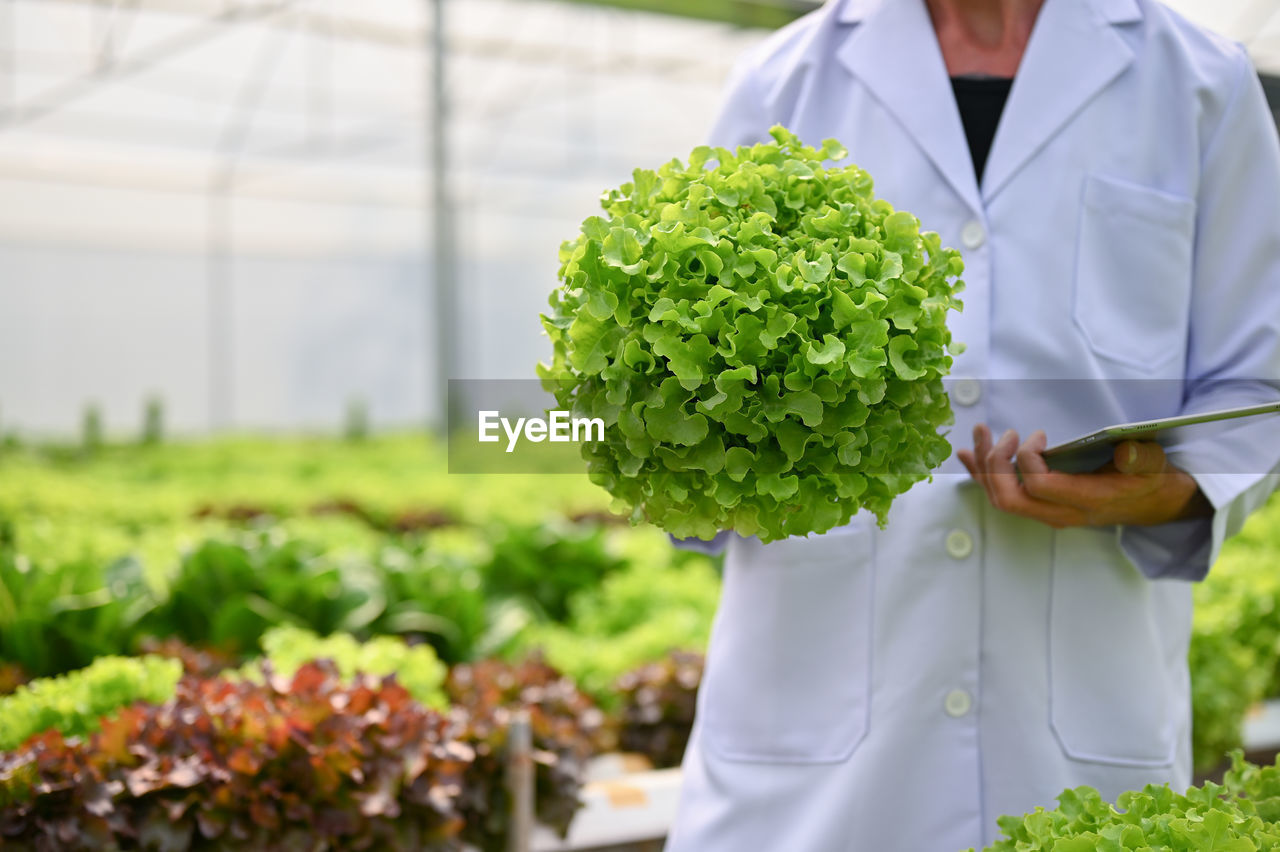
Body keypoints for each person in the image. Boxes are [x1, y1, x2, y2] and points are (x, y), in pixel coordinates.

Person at [664, 0, 1280, 850]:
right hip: (809, 772)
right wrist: (701, 442)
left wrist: (1164, 491)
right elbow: (673, 345)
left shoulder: (1199, 84)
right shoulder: (784, 81)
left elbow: (1259, 379)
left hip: (1079, 737)